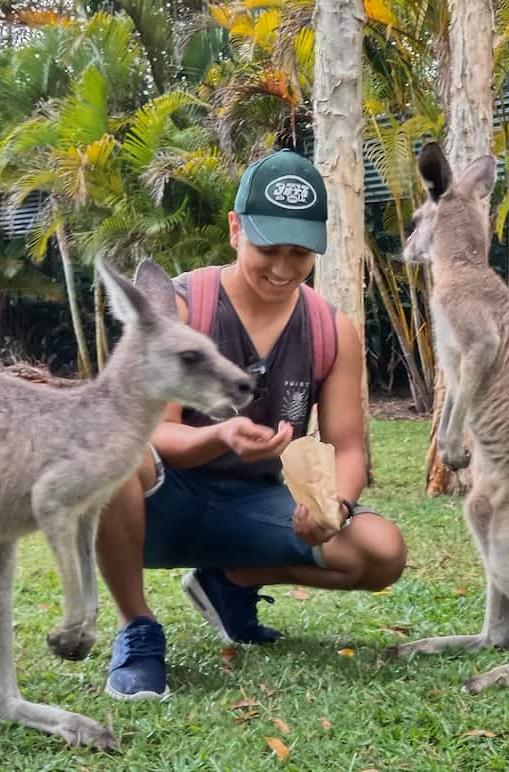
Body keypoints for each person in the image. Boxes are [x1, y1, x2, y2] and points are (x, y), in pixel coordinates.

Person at [96, 148, 408, 701]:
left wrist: (332, 506)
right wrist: (219, 433)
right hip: (161, 506)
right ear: (235, 229)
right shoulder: (184, 306)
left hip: (258, 510)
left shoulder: (331, 330)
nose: (284, 268)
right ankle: (137, 627)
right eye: (269, 248)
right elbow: (153, 435)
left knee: (381, 551)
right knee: (112, 453)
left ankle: (231, 579)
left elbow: (349, 446)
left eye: (301, 253)